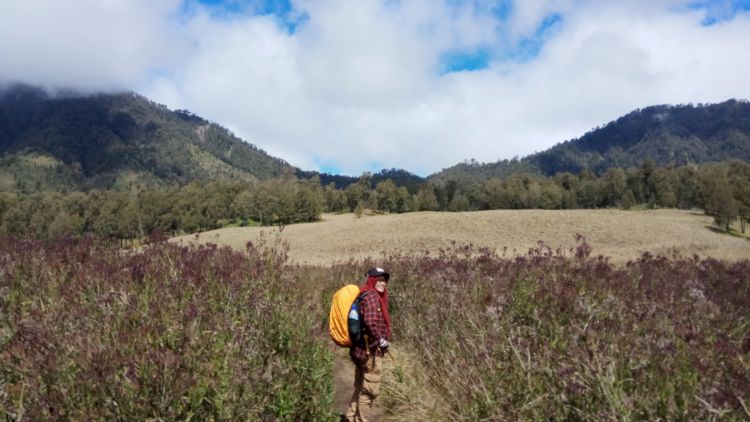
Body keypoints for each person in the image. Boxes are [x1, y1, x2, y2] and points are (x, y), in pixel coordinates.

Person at [345, 267, 392, 422]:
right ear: (371, 280)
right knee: (369, 391)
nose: (382, 283)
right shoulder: (372, 297)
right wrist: (380, 340)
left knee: (360, 386)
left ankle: (350, 417)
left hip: (360, 350)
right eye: (379, 279)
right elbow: (370, 323)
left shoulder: (363, 294)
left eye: (384, 280)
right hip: (371, 352)